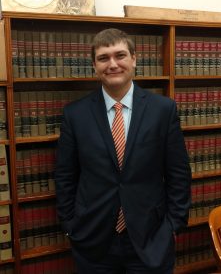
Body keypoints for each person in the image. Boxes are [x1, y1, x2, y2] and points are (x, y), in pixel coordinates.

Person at [55, 28, 191, 274]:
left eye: (120, 55)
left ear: (134, 59)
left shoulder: (163, 110)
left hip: (151, 238)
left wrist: (173, 225)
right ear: (94, 65)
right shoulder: (75, 114)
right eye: (103, 58)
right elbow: (65, 175)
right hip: (93, 241)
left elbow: (178, 173)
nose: (113, 64)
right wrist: (70, 225)